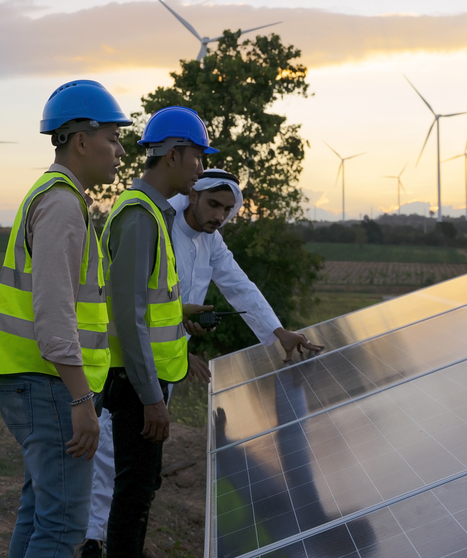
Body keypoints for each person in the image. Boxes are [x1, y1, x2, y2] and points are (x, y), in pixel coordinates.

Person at [81, 169, 323, 557]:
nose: (219, 216)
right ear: (192, 194)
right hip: (130, 360)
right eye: (213, 205)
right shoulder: (158, 225)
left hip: (168, 362)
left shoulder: (212, 242)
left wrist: (278, 333)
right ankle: (94, 540)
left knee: (140, 461)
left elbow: (239, 286)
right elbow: (136, 303)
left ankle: (120, 540)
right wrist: (179, 344)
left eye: (227, 209)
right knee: (112, 451)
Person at [0, 79, 131, 558]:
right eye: (112, 137)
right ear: (81, 140)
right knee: (65, 527)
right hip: (49, 383)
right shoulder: (63, 204)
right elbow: (53, 313)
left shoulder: (52, 196)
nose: (119, 149)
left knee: (40, 512)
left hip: (32, 379)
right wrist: (81, 398)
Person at [101, 106, 214, 558]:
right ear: (173, 155)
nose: (201, 170)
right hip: (135, 386)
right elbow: (127, 316)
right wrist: (152, 399)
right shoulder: (141, 216)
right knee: (134, 491)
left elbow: (145, 302)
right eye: (198, 158)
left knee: (140, 487)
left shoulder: (153, 213)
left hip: (142, 382)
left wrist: (177, 310)